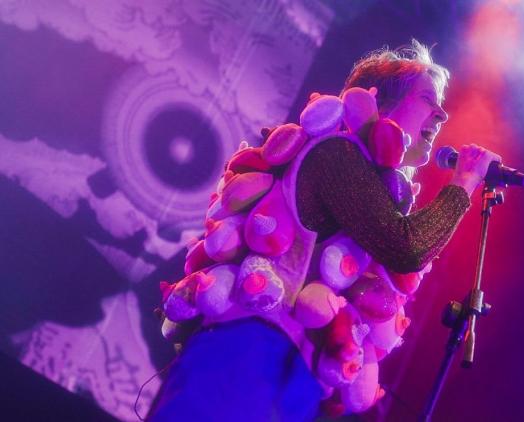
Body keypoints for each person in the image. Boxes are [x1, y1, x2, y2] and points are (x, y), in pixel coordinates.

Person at [149, 40, 500, 421]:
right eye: (429, 100)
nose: (443, 115)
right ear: (377, 99)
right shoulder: (338, 154)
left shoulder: (371, 178)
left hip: (286, 372)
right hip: (246, 353)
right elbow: (407, 247)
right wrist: (464, 181)